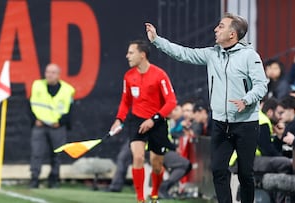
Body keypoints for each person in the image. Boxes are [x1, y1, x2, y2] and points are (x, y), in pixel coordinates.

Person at [145, 13, 268, 203]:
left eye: (221, 26)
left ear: (232, 34)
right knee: (218, 170)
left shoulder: (250, 56)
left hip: (246, 124)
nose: (215, 30)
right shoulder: (212, 54)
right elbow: (183, 53)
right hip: (220, 123)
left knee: (245, 173)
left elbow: (261, 85)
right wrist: (157, 40)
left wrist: (247, 99)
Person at [109, 39, 177, 203]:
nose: (127, 56)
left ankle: (154, 194)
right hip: (136, 121)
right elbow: (125, 102)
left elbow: (171, 102)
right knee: (138, 157)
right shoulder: (128, 76)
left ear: (142, 55)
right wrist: (119, 119)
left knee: (156, 164)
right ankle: (140, 199)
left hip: (157, 122)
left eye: (131, 53)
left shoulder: (159, 75)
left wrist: (153, 120)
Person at [29, 63, 75, 188]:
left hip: (57, 127)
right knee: (36, 153)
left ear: (59, 75)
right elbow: (30, 104)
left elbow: (70, 110)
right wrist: (34, 120)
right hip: (40, 125)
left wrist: (60, 122)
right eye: (48, 72)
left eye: (53, 72)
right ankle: (34, 179)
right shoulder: (37, 85)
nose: (49, 75)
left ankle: (54, 180)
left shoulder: (67, 90)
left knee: (57, 154)